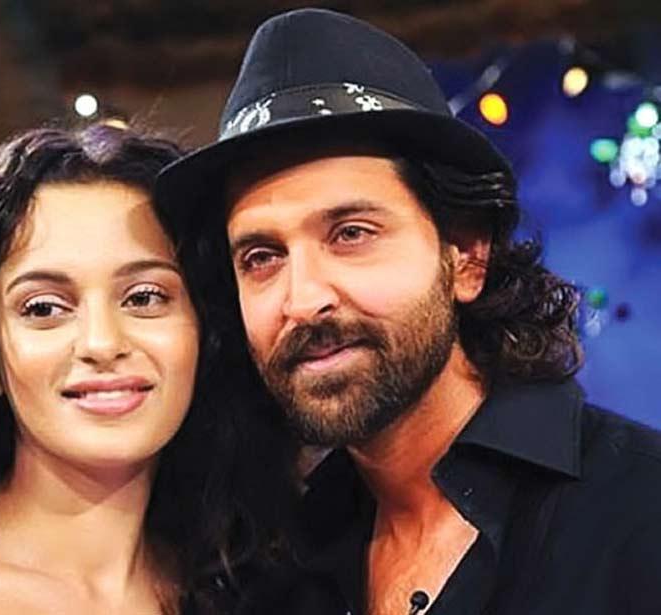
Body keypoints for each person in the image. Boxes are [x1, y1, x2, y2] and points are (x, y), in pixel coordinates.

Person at [156, 8, 661, 615]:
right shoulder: (276, 568)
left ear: (466, 257)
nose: (303, 299)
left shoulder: (638, 512)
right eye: (261, 257)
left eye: (351, 233)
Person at [0, 122, 318, 615]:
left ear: (205, 334)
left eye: (144, 298)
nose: (102, 343)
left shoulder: (254, 583)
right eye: (44, 308)